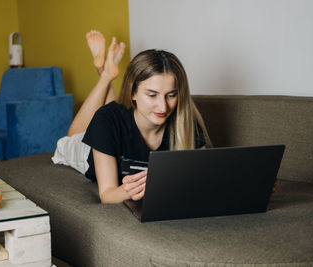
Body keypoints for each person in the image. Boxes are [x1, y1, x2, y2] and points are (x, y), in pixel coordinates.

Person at [52, 30, 211, 204]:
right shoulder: (106, 119)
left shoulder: (186, 123)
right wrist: (128, 190)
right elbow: (108, 195)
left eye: (171, 95)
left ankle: (105, 72)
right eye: (152, 95)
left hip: (115, 128)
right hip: (86, 153)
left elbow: (202, 181)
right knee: (71, 136)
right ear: (132, 92)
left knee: (115, 113)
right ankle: (105, 76)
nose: (163, 107)